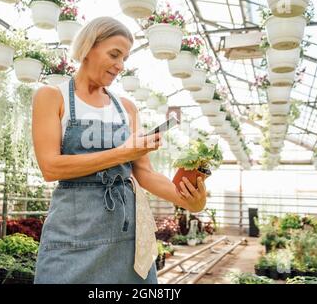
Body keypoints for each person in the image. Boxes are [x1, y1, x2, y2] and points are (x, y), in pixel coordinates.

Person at [32, 16, 208, 284]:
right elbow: (50, 167)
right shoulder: (51, 97)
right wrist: (122, 153)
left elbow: (145, 174)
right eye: (114, 54)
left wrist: (188, 200)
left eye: (124, 58)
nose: (120, 66)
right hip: (72, 235)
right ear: (88, 48)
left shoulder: (126, 108)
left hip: (126, 235)